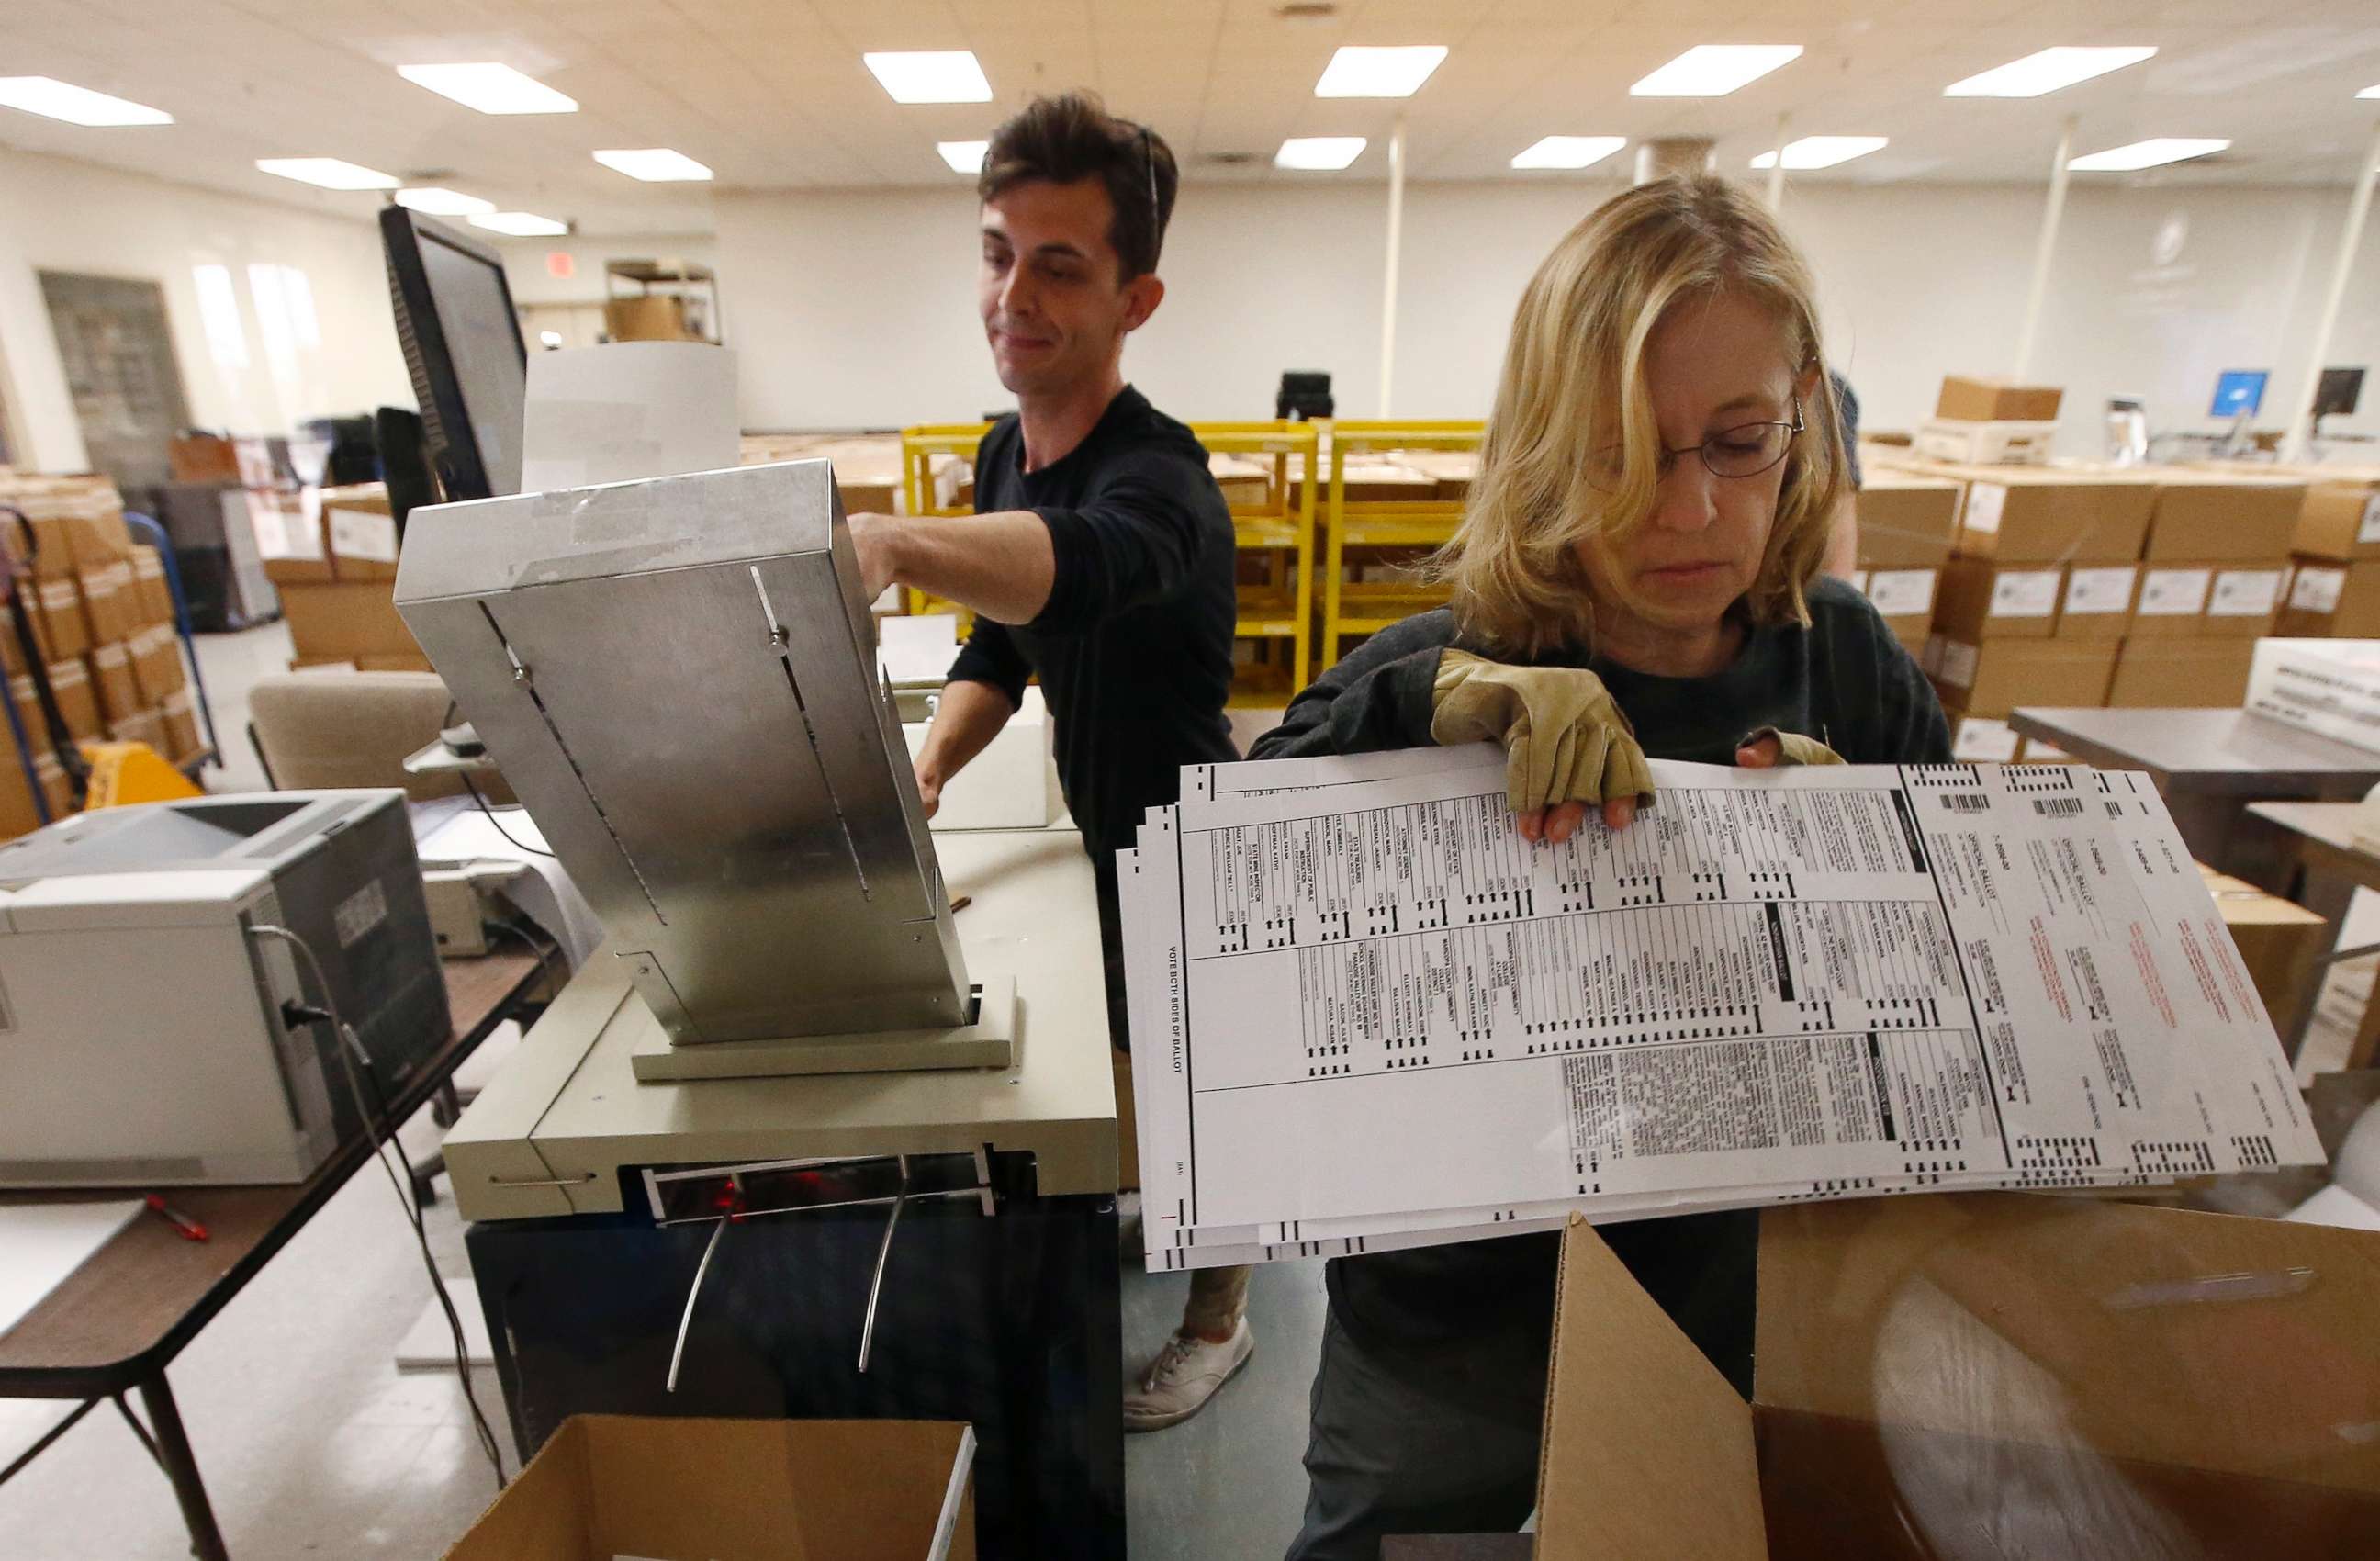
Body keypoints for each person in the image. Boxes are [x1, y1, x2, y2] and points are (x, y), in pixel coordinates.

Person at [1247, 175, 1951, 1559]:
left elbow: (1956, 1014)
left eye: (1738, 442)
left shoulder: (1853, 674)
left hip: (1728, 1315)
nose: (1688, 509)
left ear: (1804, 416)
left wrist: (1864, 877)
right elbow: (1237, 877)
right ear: (1551, 444)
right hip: (1444, 1335)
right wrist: (1428, 705)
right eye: (1631, 453)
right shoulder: (1443, 664)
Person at [842, 91, 1258, 1433]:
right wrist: (932, 764)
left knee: (1201, 1095)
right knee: (1128, 1081)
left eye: (1058, 265)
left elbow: (1080, 571)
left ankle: (1223, 1324)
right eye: (996, 252)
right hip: (1096, 822)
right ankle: (1172, 1220)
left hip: (1191, 839)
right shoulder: (1001, 453)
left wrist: (897, 544)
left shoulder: (1164, 484)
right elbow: (1004, 643)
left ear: (1136, 301)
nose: (1013, 293)